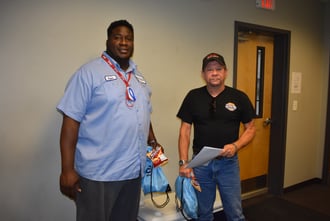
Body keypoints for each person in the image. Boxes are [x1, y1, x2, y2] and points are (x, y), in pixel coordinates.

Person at [56, 19, 162, 221]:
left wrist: (153, 142)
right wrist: (67, 170)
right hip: (99, 173)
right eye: (118, 37)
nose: (124, 42)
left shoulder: (138, 77)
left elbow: (144, 112)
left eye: (129, 38)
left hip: (133, 170)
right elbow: (71, 123)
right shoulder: (88, 74)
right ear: (108, 41)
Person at [177, 52, 256, 221]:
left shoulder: (239, 97)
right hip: (201, 164)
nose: (214, 73)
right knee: (203, 213)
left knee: (235, 213)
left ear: (225, 72)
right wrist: (184, 163)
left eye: (218, 69)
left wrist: (236, 146)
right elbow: (185, 131)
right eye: (209, 69)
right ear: (203, 74)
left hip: (228, 164)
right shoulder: (193, 97)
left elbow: (251, 129)